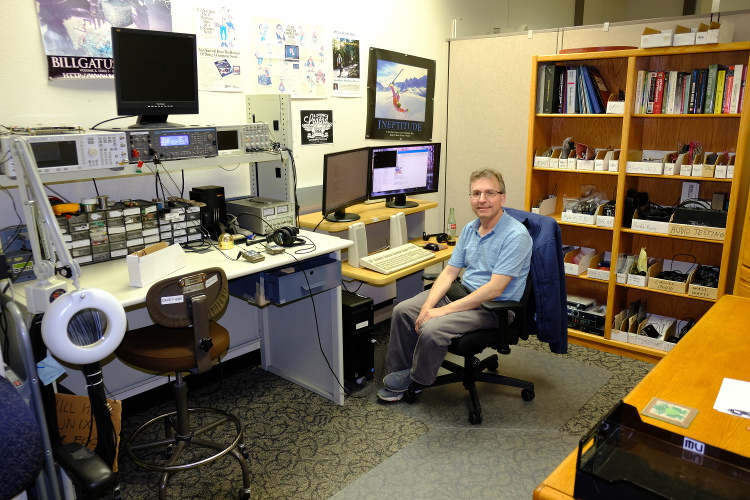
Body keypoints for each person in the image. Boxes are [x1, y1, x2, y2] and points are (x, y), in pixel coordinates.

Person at [378, 168, 532, 401]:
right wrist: (428, 305)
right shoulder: (471, 229)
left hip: (492, 308)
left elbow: (495, 289)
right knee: (402, 310)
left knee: (432, 328)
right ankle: (398, 373)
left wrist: (439, 312)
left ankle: (417, 379)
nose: (482, 200)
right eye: (476, 193)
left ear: (502, 198)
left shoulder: (515, 235)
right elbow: (449, 272)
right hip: (462, 294)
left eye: (489, 193)